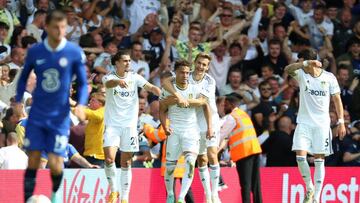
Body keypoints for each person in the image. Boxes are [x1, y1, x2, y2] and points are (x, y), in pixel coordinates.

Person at [14, 10, 88, 202]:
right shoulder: (36, 51)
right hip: (38, 113)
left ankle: (54, 196)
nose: (60, 31)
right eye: (56, 27)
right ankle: (27, 198)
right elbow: (23, 79)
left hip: (59, 116)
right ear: (46, 27)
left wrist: (80, 104)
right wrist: (18, 99)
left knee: (55, 163)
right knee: (33, 159)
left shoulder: (73, 52)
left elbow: (83, 83)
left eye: (63, 27)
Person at [284, 48, 346, 203]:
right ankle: (309, 187)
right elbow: (287, 69)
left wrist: (341, 122)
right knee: (300, 157)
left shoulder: (329, 77)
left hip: (322, 125)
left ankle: (316, 197)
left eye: (300, 60)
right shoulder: (301, 74)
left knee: (319, 160)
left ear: (307, 60)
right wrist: (305, 63)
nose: (298, 63)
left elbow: (337, 100)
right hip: (303, 123)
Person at [102, 50, 161, 203]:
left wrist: (158, 91)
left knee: (126, 162)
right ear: (117, 63)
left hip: (129, 126)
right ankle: (114, 191)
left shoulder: (134, 77)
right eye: (125, 61)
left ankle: (125, 198)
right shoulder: (109, 77)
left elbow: (149, 86)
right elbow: (108, 83)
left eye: (129, 60)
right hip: (113, 125)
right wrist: (117, 82)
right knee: (109, 159)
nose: (128, 63)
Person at [162, 53, 221, 202]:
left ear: (208, 67)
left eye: (204, 65)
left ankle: (214, 194)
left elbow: (202, 101)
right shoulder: (186, 75)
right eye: (199, 63)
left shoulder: (209, 81)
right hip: (194, 121)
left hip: (210, 120)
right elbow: (166, 82)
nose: (201, 66)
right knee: (201, 159)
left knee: (212, 154)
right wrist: (177, 96)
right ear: (195, 62)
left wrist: (177, 99)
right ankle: (207, 194)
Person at [219, 93, 263, 203]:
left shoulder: (232, 117)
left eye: (225, 105)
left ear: (230, 104)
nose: (224, 108)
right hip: (254, 150)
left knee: (245, 184)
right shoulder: (243, 114)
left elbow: (221, 135)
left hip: (243, 153)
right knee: (255, 183)